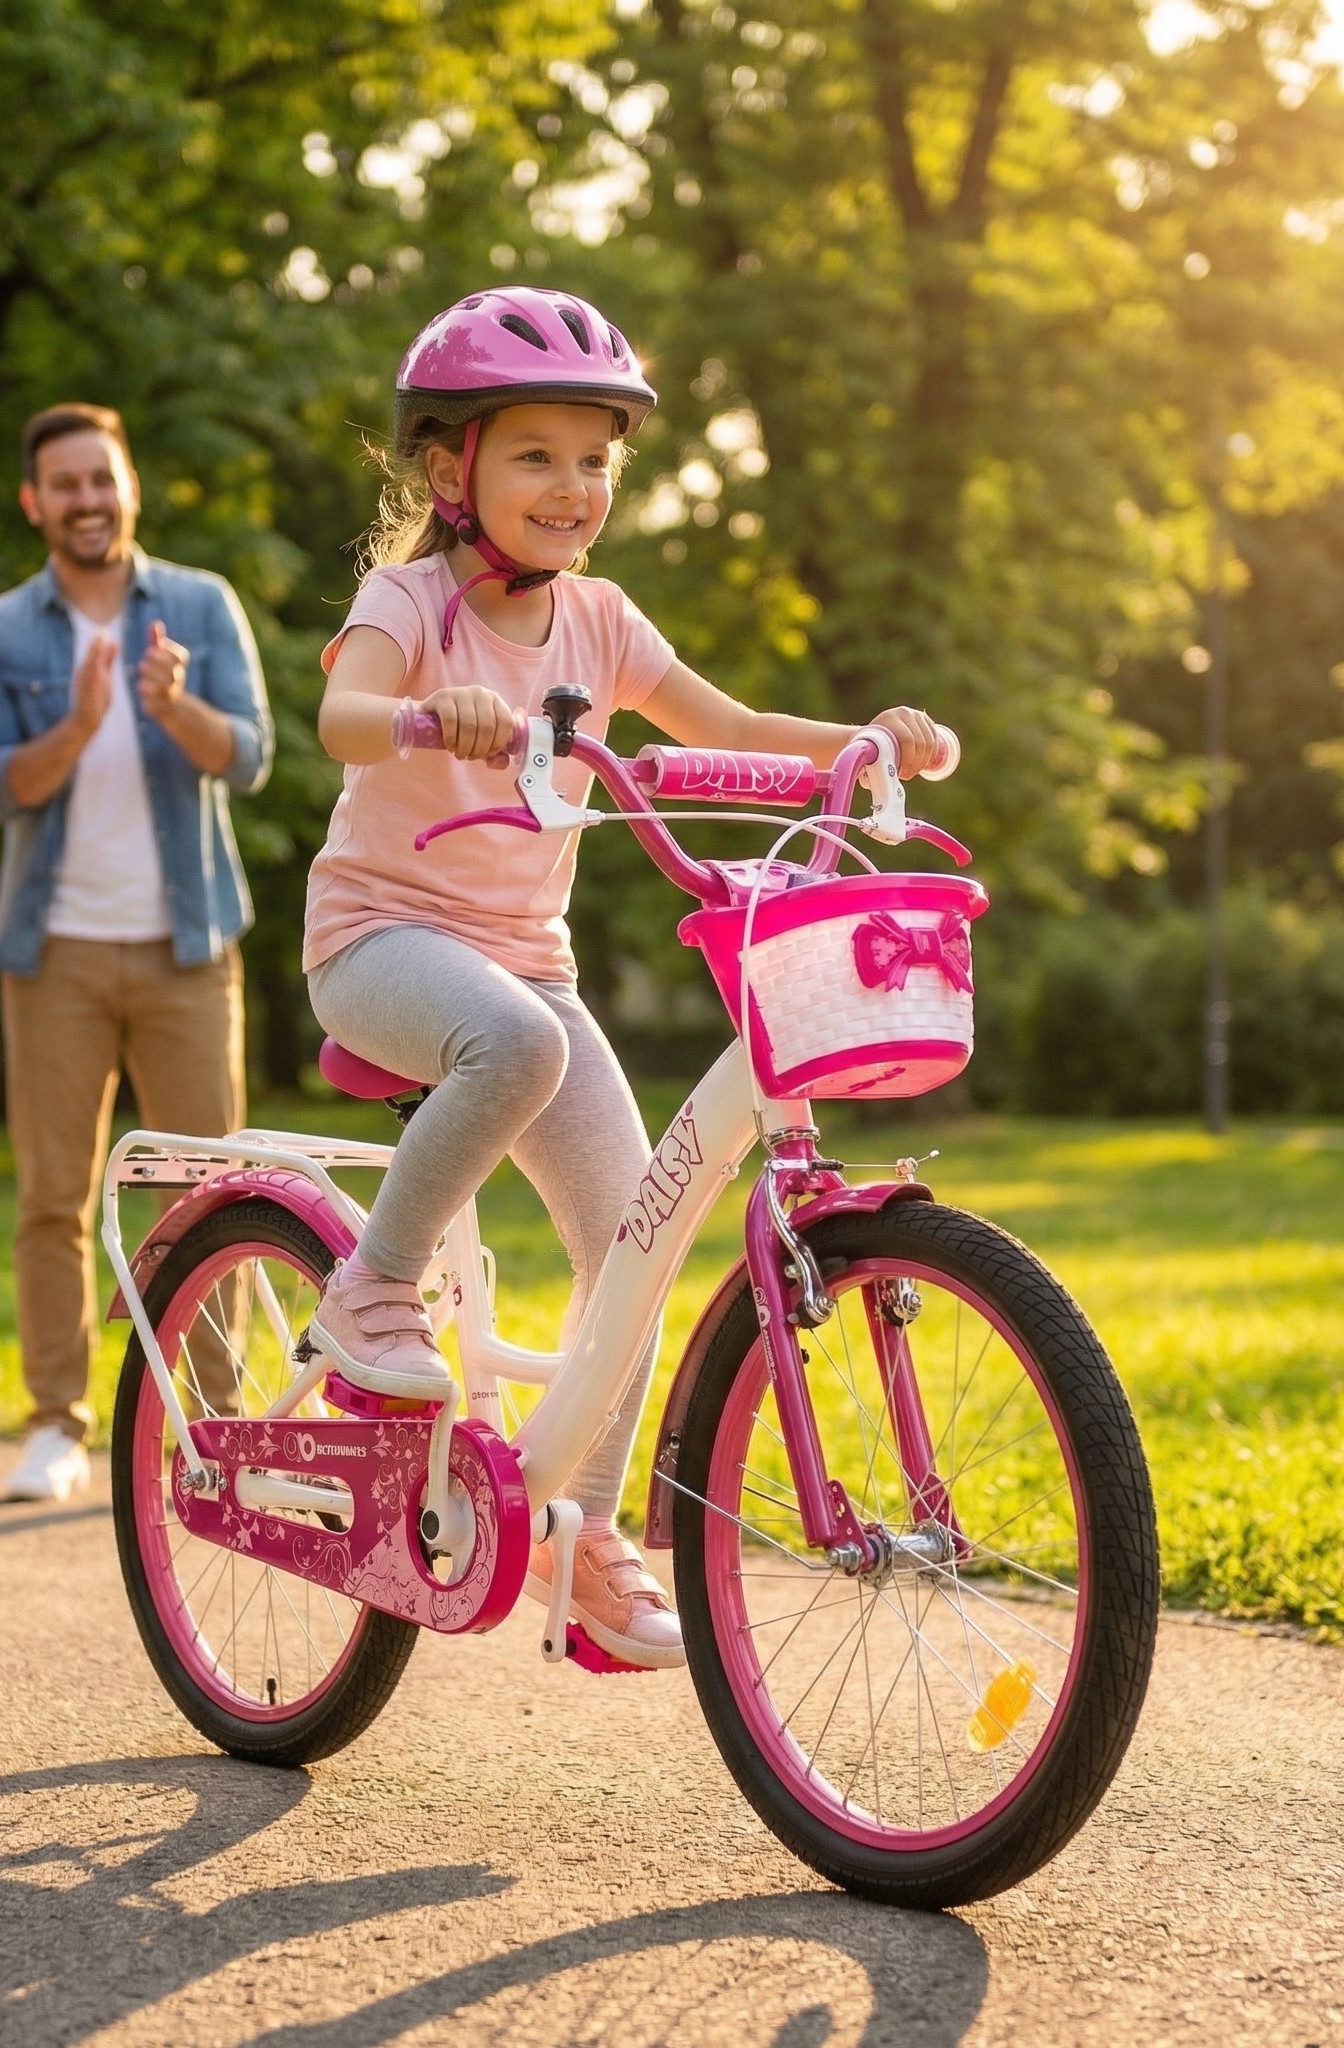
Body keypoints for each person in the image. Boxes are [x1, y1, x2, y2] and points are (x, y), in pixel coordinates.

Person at [304, 287, 944, 1669]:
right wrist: (429, 709)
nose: (573, 485)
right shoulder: (410, 599)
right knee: (518, 1042)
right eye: (536, 453)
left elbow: (732, 724)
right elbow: (342, 713)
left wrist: (868, 739)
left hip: (530, 972)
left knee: (635, 1251)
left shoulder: (599, 621)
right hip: (379, 947)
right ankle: (372, 1283)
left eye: (595, 458)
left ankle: (588, 1537)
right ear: (450, 470)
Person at [0, 404, 274, 1503]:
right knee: (54, 1196)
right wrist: (82, 717)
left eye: (100, 478)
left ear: (127, 483)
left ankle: (218, 1422)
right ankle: (56, 1419)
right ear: (34, 502)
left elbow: (248, 756)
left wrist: (169, 707)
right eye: (63, 483)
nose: (86, 499)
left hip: (186, 950)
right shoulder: (6, 628)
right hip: (52, 954)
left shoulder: (198, 602)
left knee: (209, 1190)